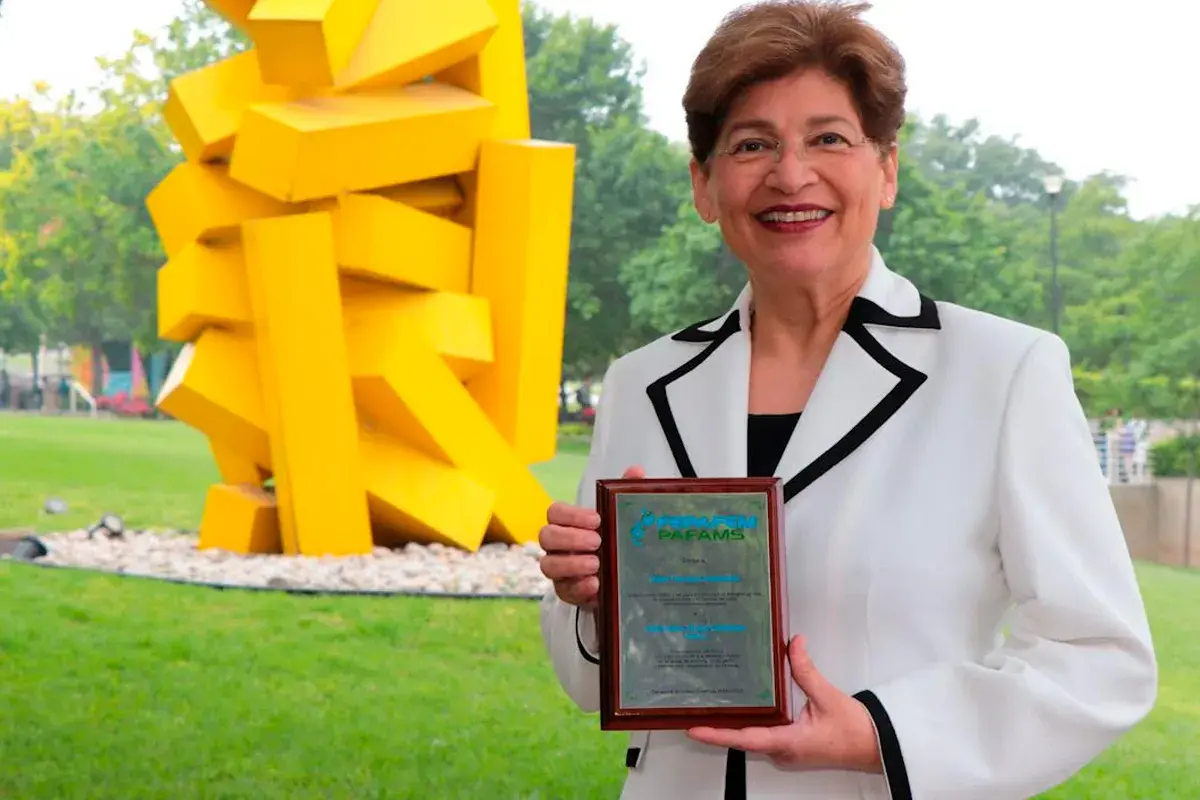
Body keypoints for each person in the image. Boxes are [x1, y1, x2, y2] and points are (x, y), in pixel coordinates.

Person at [536, 2, 1158, 799]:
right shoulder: (641, 382)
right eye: (752, 144)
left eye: (829, 138)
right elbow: (595, 686)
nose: (791, 174)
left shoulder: (1003, 372)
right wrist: (588, 604)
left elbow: (1100, 659)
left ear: (886, 169)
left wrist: (883, 736)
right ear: (704, 184)